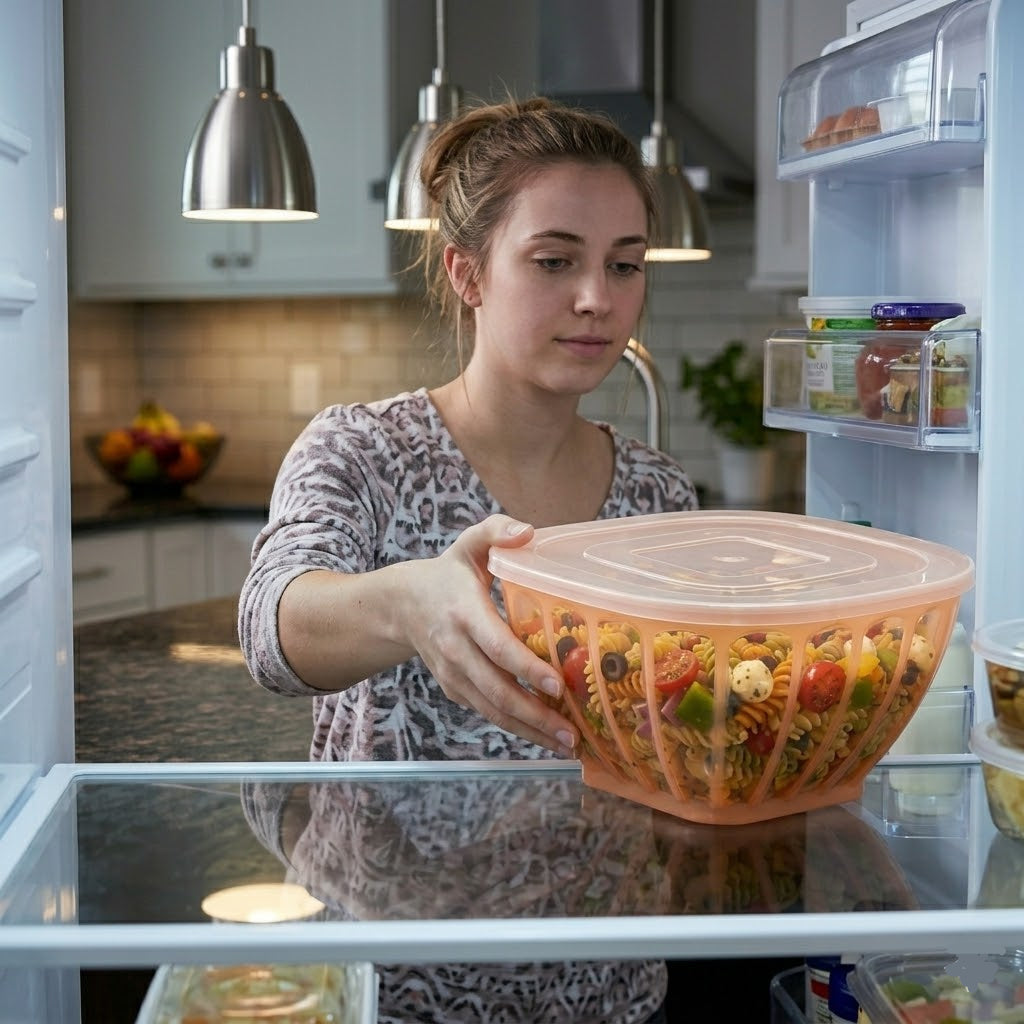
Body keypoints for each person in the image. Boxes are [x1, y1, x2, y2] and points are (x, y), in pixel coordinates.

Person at [239, 95, 698, 1024]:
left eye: (624, 264)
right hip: (398, 982)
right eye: (554, 260)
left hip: (606, 984)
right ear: (468, 271)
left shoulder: (658, 495)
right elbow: (271, 627)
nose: (597, 298)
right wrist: (410, 603)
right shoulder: (360, 452)